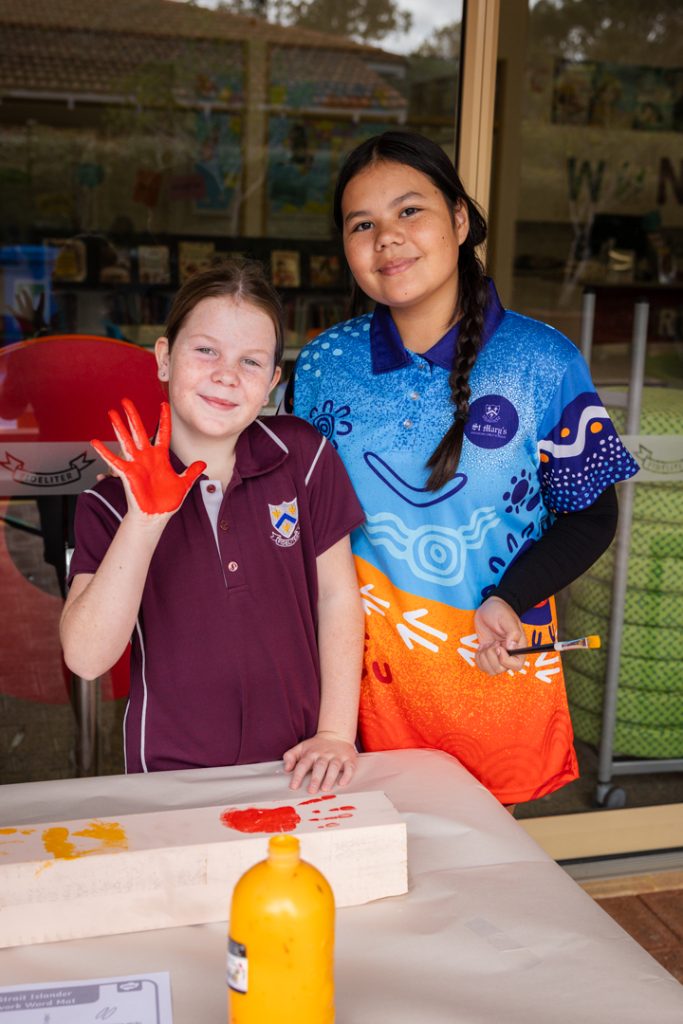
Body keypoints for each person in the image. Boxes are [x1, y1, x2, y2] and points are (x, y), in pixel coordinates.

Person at [285, 130, 639, 807]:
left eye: (408, 210)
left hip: (489, 679)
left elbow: (591, 510)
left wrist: (512, 595)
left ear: (456, 219)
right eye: (363, 224)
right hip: (354, 694)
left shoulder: (542, 360)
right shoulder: (324, 364)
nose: (386, 237)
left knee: (481, 886)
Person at [60, 260, 365, 794]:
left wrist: (337, 732)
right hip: (171, 771)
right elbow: (86, 658)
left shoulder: (303, 456)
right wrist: (145, 520)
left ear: (272, 382)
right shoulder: (108, 503)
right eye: (206, 350)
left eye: (251, 361)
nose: (226, 375)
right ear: (164, 358)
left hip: (301, 761)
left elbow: (337, 597)